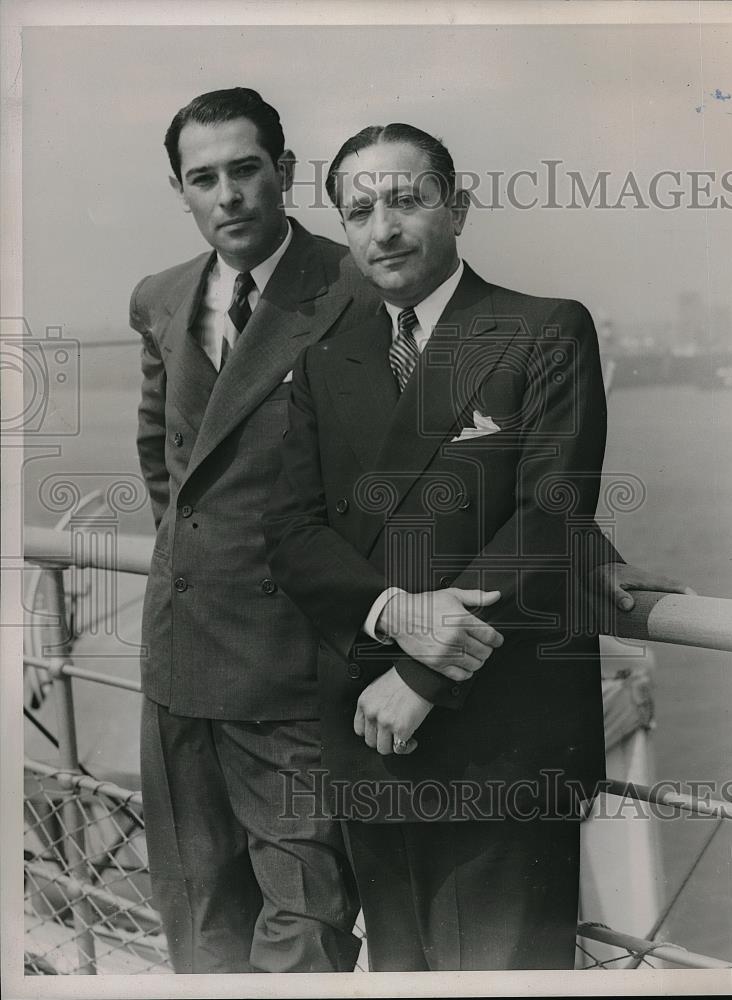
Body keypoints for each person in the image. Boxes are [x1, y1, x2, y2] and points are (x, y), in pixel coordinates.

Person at [133, 91, 689, 974]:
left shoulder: (540, 328)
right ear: (345, 226)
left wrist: (428, 669)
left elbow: (551, 510)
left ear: (458, 207)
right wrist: (394, 612)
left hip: (495, 747)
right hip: (366, 736)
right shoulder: (329, 359)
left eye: (408, 200)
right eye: (361, 209)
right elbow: (292, 526)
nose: (384, 227)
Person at [130, 88, 378, 973]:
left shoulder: (355, 285)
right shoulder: (161, 298)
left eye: (245, 170)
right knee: (196, 917)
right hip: (177, 654)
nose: (227, 194)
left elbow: (401, 479)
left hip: (290, 666)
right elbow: (167, 466)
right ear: (182, 190)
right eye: (204, 178)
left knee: (304, 918)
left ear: (285, 172)